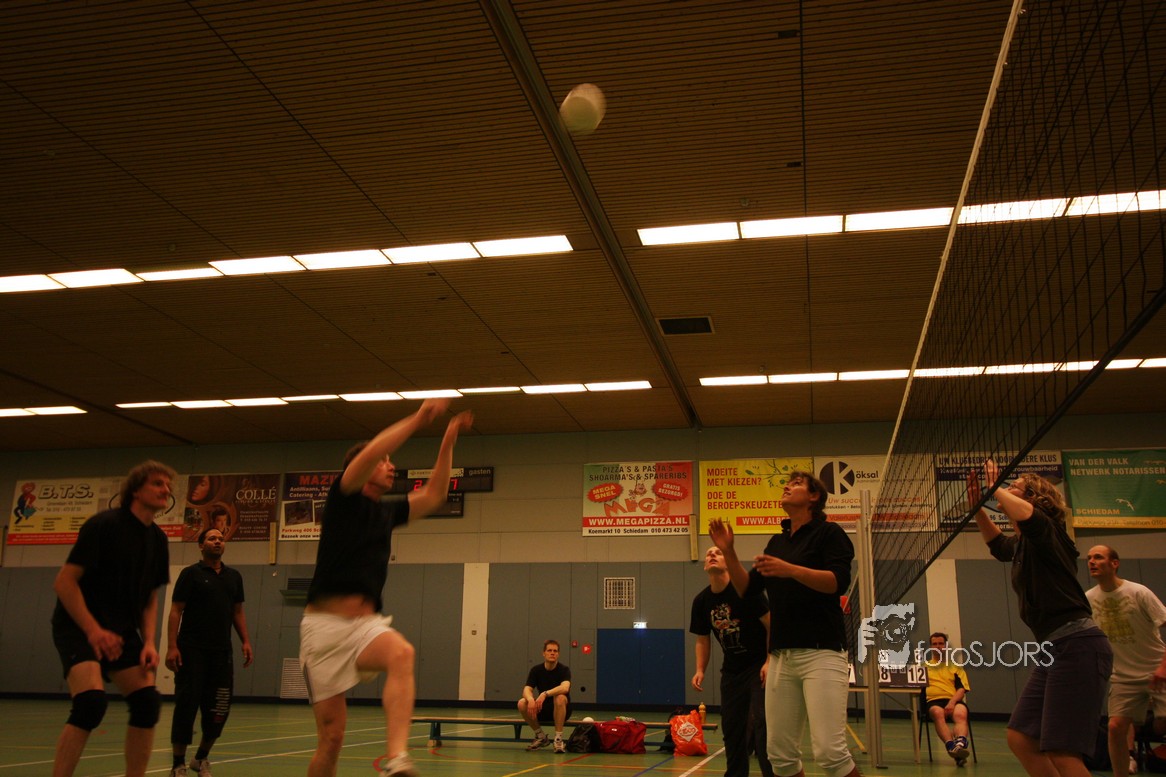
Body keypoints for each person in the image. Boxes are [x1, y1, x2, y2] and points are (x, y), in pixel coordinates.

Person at [301, 398, 473, 777]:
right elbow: (372, 450)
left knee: (401, 653)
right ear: (361, 469)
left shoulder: (385, 511)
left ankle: (396, 760)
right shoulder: (343, 497)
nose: (391, 466)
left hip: (365, 627)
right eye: (383, 462)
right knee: (331, 738)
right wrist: (418, 418)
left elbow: (434, 495)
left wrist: (447, 441)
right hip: (323, 632)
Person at [710, 470, 861, 777]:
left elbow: (837, 582)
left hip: (822, 652)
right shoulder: (777, 542)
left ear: (814, 496)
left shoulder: (829, 534)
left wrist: (791, 570)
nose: (787, 487)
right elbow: (746, 588)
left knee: (830, 753)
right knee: (780, 756)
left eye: (796, 484)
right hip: (781, 657)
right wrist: (728, 551)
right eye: (787, 483)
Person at [969, 459, 1113, 777]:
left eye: (1014, 487)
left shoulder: (1048, 530)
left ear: (1033, 499)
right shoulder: (1023, 545)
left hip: (1078, 645)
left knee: (1062, 751)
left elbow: (1030, 517)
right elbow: (998, 546)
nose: (1006, 491)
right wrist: (978, 508)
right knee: (1021, 738)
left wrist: (993, 488)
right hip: (1054, 649)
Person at [50, 460, 175, 777]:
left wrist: (149, 642)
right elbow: (64, 583)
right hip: (79, 626)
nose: (166, 490)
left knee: (147, 703)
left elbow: (150, 597)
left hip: (122, 631)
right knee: (90, 704)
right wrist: (93, 631)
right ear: (135, 490)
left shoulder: (158, 540)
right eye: (157, 483)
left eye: (168, 485)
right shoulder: (103, 526)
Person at [166, 527, 254, 777]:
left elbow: (237, 612)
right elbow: (176, 610)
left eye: (221, 539)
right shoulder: (190, 574)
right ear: (201, 545)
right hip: (191, 651)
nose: (218, 541)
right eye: (212, 538)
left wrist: (245, 641)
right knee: (187, 706)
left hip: (221, 654)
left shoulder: (234, 577)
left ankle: (201, 758)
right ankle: (178, 763)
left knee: (219, 708)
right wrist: (172, 646)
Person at [690, 545, 773, 777]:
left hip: (759, 665)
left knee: (762, 724)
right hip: (732, 671)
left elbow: (771, 625)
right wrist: (700, 669)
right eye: (709, 554)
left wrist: (769, 661)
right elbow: (702, 639)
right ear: (705, 566)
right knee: (732, 727)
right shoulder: (701, 601)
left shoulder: (747, 591)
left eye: (718, 552)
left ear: (728, 562)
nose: (712, 555)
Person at [1086, 544, 1166, 777]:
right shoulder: (1089, 598)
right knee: (1115, 727)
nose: (1092, 562)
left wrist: (1163, 667)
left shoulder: (1139, 592)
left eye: (1098, 557)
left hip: (1158, 672)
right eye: (1089, 558)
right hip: (1123, 678)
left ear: (1114, 563)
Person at [922, 632, 972, 766]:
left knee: (961, 713)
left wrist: (952, 703)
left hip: (952, 700)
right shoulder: (923, 667)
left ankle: (959, 745)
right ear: (930, 647)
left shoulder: (955, 667)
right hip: (933, 701)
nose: (938, 646)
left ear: (945, 646)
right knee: (938, 713)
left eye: (941, 644)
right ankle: (951, 746)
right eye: (934, 644)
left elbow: (961, 689)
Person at [518, 639, 572, 753]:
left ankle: (558, 740)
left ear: (558, 654)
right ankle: (541, 736)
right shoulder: (536, 670)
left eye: (555, 651)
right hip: (542, 708)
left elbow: (565, 688)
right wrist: (530, 699)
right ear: (544, 653)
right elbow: (527, 689)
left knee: (560, 697)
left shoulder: (564, 670)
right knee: (522, 703)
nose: (552, 653)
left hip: (562, 709)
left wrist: (545, 693)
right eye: (549, 650)